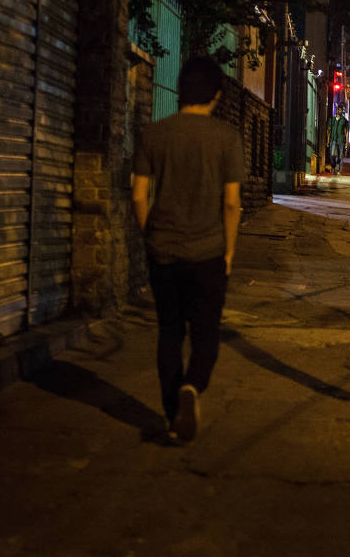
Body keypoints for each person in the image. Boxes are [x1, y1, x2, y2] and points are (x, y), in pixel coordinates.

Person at [131, 56, 244, 442]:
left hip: (163, 250)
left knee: (169, 331)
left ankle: (170, 412)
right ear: (215, 94)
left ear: (181, 91)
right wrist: (228, 251)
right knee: (205, 332)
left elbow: (138, 195)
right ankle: (192, 387)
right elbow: (231, 203)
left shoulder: (153, 134)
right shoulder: (226, 139)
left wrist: (151, 234)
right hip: (208, 252)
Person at [328, 109, 347, 174]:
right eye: (338, 110)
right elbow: (329, 130)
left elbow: (346, 132)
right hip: (333, 139)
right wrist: (328, 140)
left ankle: (339, 169)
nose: (339, 111)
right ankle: (333, 167)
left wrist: (346, 142)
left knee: (340, 155)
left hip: (341, 140)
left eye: (341, 110)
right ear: (336, 111)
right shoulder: (332, 120)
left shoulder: (344, 120)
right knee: (331, 155)